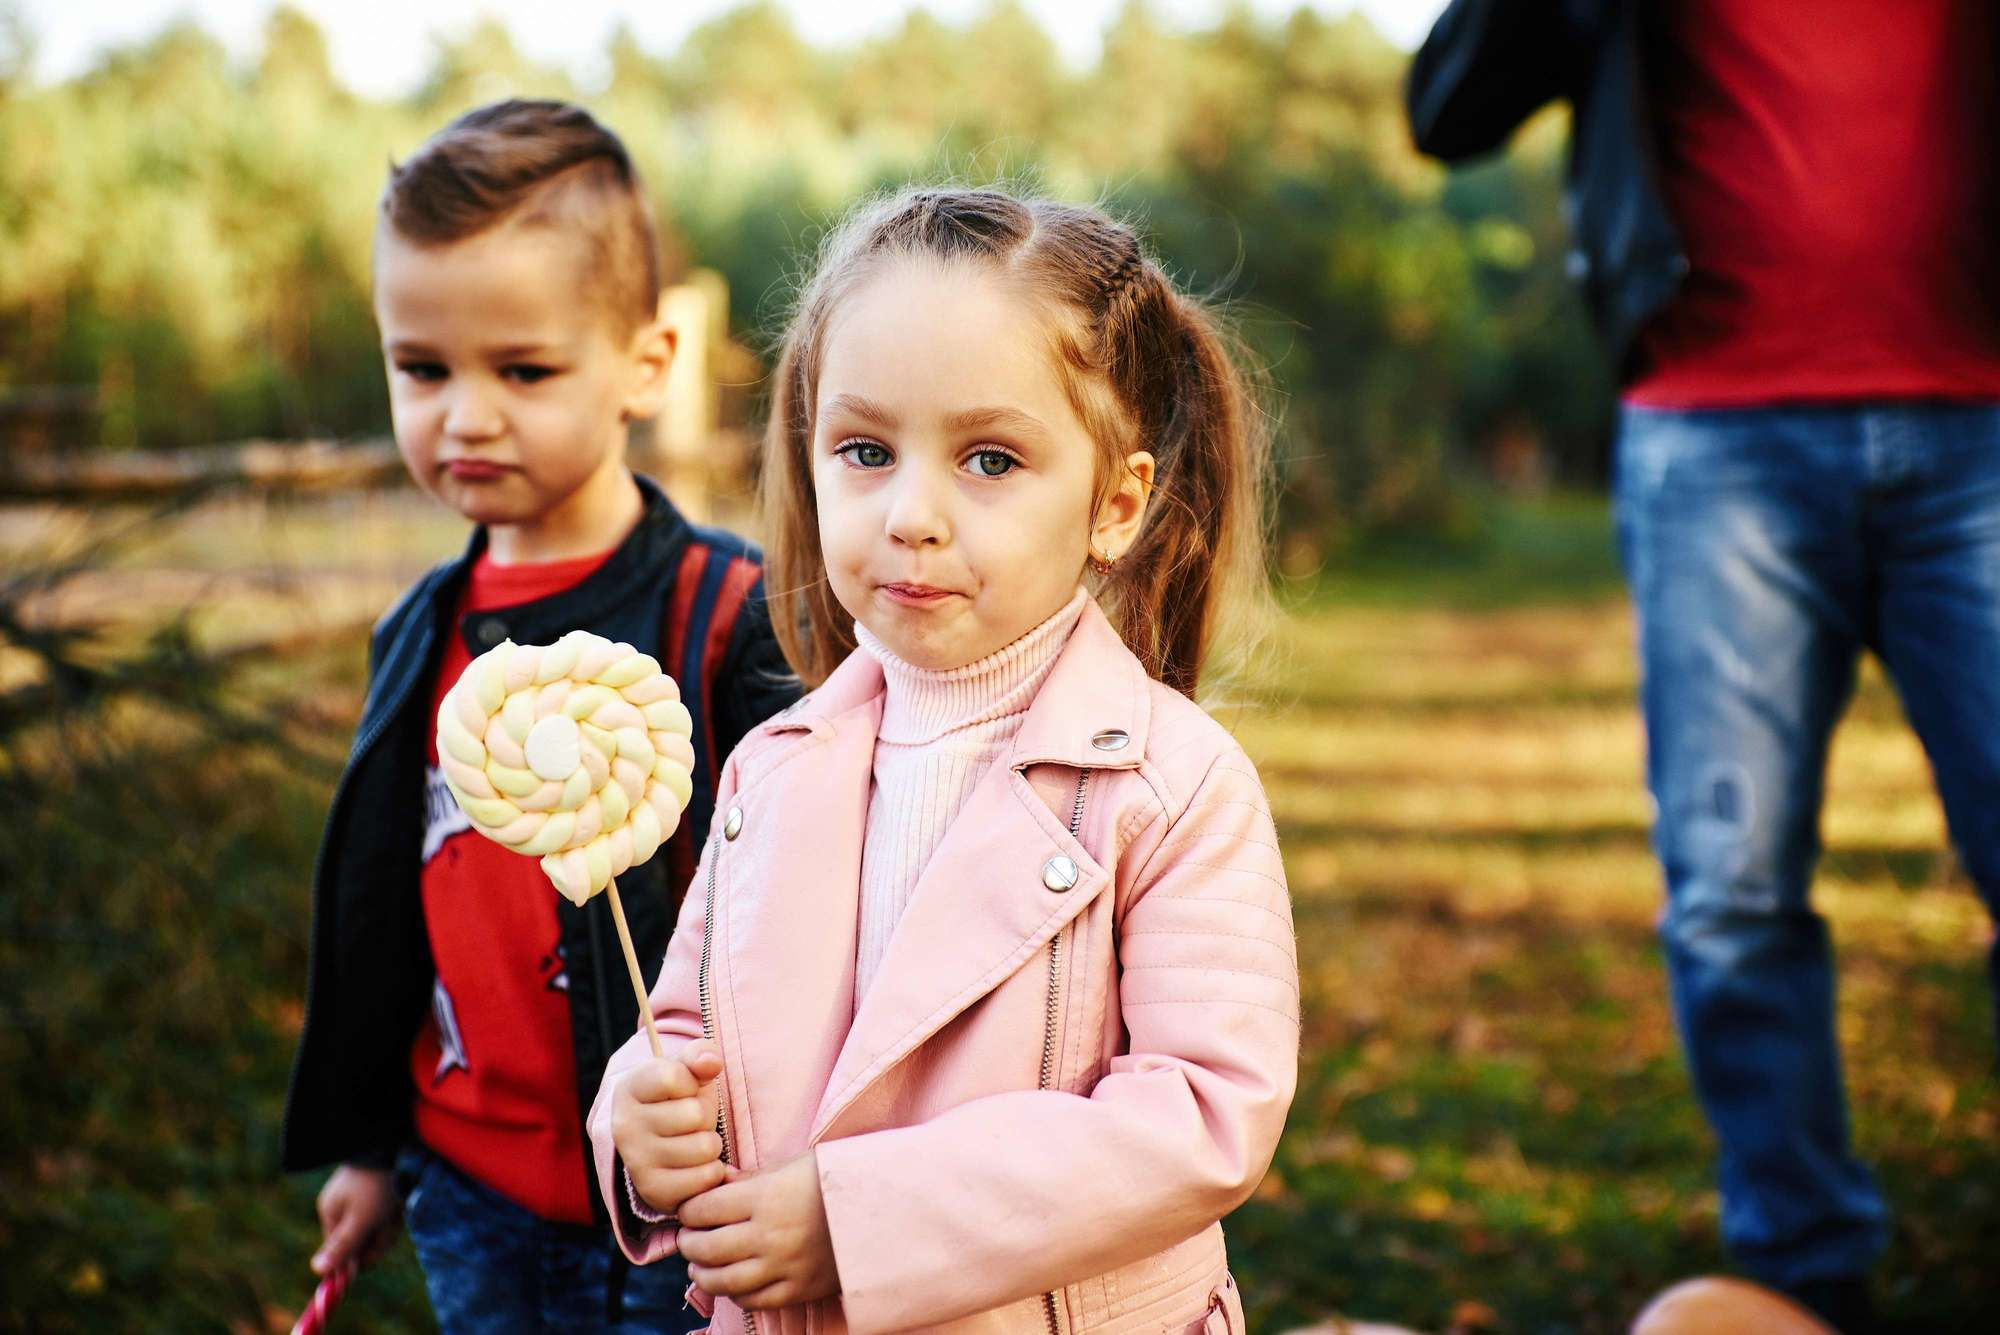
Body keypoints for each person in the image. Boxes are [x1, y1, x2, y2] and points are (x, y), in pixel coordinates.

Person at [588, 187, 1301, 1332]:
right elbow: (685, 1031)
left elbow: (1203, 1113)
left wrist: (857, 1222)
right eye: (865, 451)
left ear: (1113, 503)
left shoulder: (1169, 790)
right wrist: (637, 1120)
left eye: (987, 459)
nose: (912, 512)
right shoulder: (770, 769)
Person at [1407, 4, 2000, 1331]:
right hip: (1713, 434)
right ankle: (1798, 1275)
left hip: (1986, 422)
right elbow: (1444, 107)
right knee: (1732, 893)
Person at [279, 99, 798, 1332]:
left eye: (523, 370)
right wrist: (367, 1150)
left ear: (645, 363)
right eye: (422, 368)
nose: (465, 414)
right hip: (470, 1187)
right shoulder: (420, 629)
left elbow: (807, 901)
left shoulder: (727, 615)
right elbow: (383, 912)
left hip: (682, 1195)